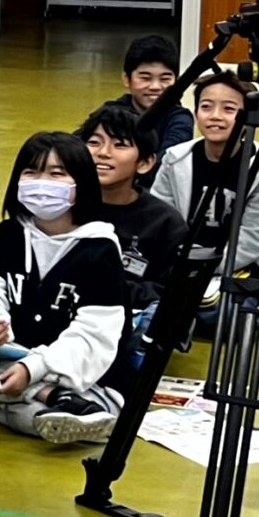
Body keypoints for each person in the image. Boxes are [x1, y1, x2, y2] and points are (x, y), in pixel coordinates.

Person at [0, 132, 127, 446]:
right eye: (31, 172)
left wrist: (33, 368)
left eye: (56, 174)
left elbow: (94, 335)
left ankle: (57, 401)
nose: (41, 183)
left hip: (68, 370)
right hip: (9, 358)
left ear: (81, 183)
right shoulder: (9, 234)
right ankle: (56, 401)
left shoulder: (100, 250)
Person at [153, 70, 259, 291]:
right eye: (206, 107)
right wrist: (184, 263)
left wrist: (205, 268)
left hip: (242, 268)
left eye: (229, 109)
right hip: (181, 264)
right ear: (195, 113)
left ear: (249, 118)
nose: (215, 116)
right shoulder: (175, 158)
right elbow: (162, 221)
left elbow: (252, 238)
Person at [76, 100, 190, 355]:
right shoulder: (64, 207)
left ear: (145, 163)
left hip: (128, 322)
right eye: (94, 142)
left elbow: (170, 292)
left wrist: (109, 288)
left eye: (120, 145)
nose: (103, 152)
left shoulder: (165, 223)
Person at [120, 33, 192, 165]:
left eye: (165, 79)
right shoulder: (112, 112)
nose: (155, 87)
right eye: (145, 78)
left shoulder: (180, 119)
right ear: (126, 79)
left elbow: (169, 161)